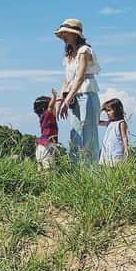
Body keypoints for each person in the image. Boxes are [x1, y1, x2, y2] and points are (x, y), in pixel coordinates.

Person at [54, 18, 101, 165]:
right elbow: (67, 80)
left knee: (88, 136)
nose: (63, 37)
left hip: (86, 94)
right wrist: (60, 100)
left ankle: (91, 174)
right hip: (74, 96)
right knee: (75, 135)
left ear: (75, 35)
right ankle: (76, 173)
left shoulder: (84, 51)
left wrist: (66, 101)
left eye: (66, 34)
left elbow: (80, 78)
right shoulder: (69, 55)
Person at [32, 92, 60, 169]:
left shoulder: (42, 116)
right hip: (47, 146)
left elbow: (50, 107)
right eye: (55, 107)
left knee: (40, 169)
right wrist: (54, 97)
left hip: (40, 147)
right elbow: (50, 107)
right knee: (49, 169)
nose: (56, 108)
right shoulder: (48, 115)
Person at [99, 98, 129, 165]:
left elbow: (124, 138)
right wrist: (100, 110)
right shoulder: (109, 123)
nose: (107, 113)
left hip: (116, 152)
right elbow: (97, 122)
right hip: (107, 152)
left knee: (115, 168)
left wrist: (126, 150)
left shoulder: (121, 123)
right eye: (106, 111)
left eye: (109, 110)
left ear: (116, 110)